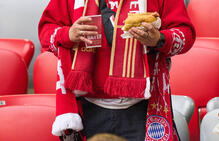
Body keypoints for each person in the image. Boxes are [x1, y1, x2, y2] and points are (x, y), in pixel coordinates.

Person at [38, 0, 195, 140]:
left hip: (143, 107)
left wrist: (159, 39)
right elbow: (46, 31)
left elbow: (186, 34)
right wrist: (68, 34)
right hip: (86, 107)